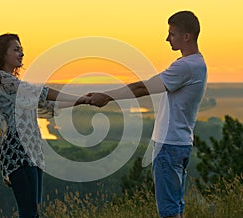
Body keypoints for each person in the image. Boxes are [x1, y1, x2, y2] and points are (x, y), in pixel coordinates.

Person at [84, 11, 207, 218]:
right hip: (181, 143)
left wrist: (107, 96)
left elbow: (144, 88)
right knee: (176, 207)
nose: (167, 39)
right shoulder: (198, 64)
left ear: (187, 36)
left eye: (172, 34)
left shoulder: (186, 66)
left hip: (169, 145)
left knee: (169, 212)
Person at [0, 33, 86, 218]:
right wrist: (78, 98)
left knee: (34, 211)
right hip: (16, 152)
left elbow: (48, 105)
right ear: (2, 54)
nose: (21, 53)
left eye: (22, 50)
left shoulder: (13, 84)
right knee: (28, 211)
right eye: (16, 49)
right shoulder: (1, 80)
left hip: (33, 150)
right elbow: (40, 92)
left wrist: (82, 102)